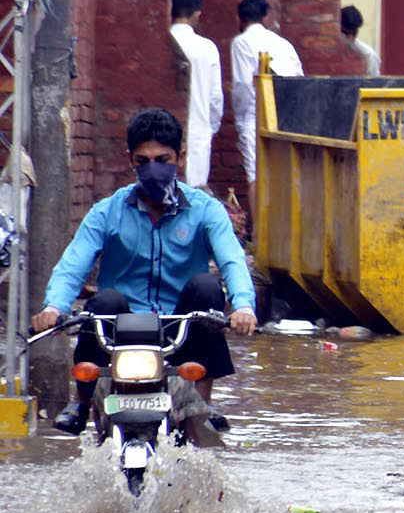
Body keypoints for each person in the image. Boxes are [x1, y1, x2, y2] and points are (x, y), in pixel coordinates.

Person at [30, 108, 257, 434]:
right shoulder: (107, 211)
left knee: (208, 287)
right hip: (120, 330)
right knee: (104, 301)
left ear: (180, 157)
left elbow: (232, 260)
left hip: (180, 328)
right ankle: (81, 402)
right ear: (130, 160)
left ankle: (201, 404)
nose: (153, 169)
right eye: (143, 160)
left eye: (162, 159)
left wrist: (244, 306)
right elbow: (72, 265)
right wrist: (54, 307)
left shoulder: (206, 210)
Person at [230, 0, 304, 184]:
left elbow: (243, 85)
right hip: (287, 116)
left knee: (256, 177)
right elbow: (299, 80)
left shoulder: (242, 42)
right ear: (265, 17)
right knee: (282, 175)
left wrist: (241, 120)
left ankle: (260, 215)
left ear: (241, 19)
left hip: (256, 114)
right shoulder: (283, 44)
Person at [168, 0, 225, 190]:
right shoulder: (206, 47)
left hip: (163, 132)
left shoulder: (164, 42)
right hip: (198, 130)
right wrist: (211, 127)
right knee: (194, 196)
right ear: (197, 14)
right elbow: (215, 98)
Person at [340, 5, 382, 77]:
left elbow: (373, 82)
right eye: (345, 33)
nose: (350, 38)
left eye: (353, 33)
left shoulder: (368, 55)